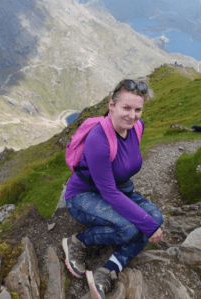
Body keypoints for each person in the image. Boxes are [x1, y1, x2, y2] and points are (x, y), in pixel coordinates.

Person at [62, 79, 163, 299]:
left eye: (138, 109)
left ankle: (110, 269)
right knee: (130, 228)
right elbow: (108, 191)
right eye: (126, 108)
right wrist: (145, 224)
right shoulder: (98, 139)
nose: (132, 115)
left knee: (155, 218)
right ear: (112, 106)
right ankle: (78, 242)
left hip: (119, 191)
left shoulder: (137, 127)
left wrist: (148, 222)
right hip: (84, 196)